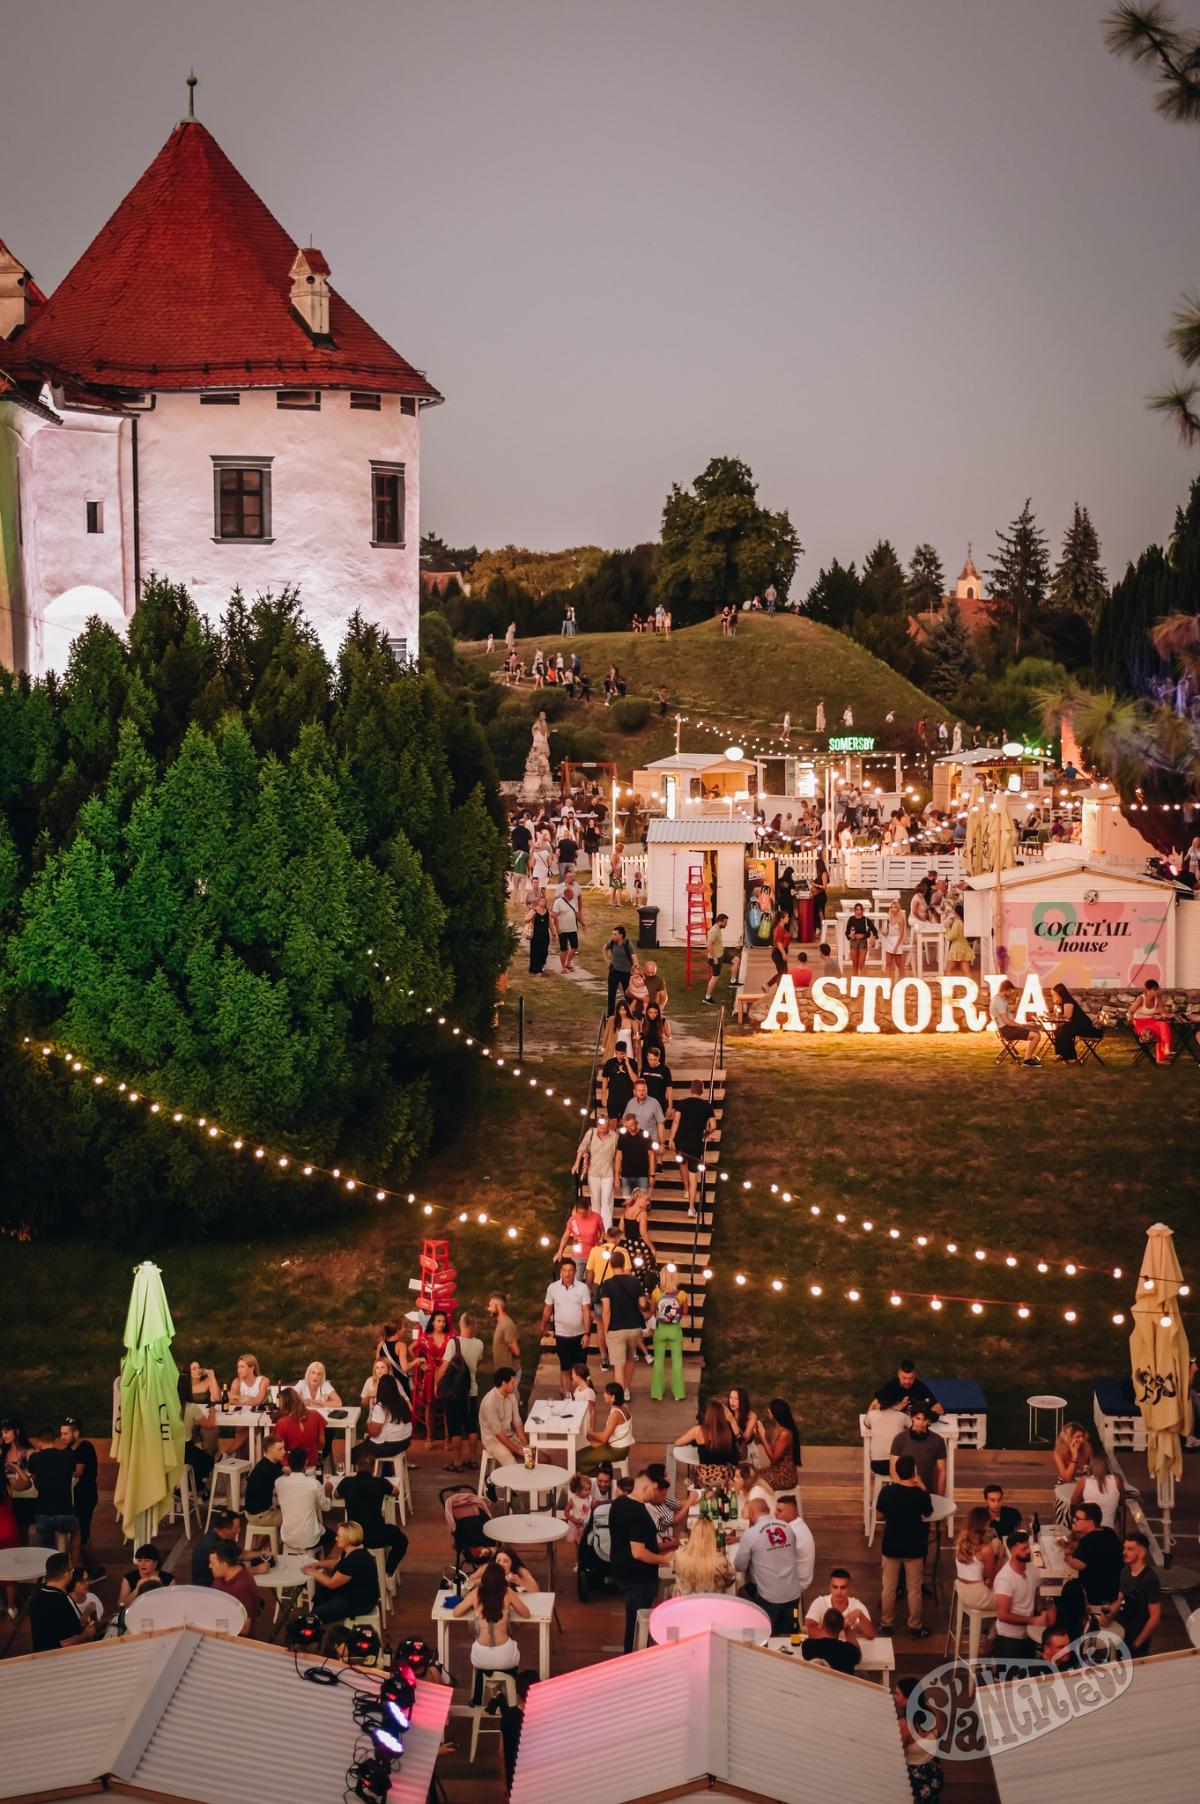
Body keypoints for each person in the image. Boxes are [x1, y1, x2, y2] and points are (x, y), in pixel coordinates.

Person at [610, 1469, 677, 1651]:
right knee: (637, 1624)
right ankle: (633, 1656)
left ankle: (634, 1652)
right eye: (654, 1489)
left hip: (622, 1570)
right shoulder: (638, 1513)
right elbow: (638, 1552)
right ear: (646, 1487)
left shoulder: (618, 1503)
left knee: (633, 1620)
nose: (655, 1493)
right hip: (638, 1577)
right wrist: (663, 1559)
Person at [732, 1498, 811, 1635]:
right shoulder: (788, 1528)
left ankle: (754, 1626)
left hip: (769, 1597)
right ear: (768, 1510)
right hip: (793, 1593)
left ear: (751, 1514)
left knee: (743, 1593)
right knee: (788, 1636)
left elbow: (739, 1566)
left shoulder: (750, 1534)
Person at [451, 1555, 532, 1689]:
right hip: (505, 1657)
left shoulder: (477, 1593)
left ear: (484, 1579)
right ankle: (505, 1689)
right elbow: (526, 1614)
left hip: (480, 1657)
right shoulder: (507, 1592)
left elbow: (456, 1612)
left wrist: (474, 1607)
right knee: (512, 1645)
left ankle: (491, 1691)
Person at [877, 1455, 934, 1636]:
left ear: (897, 1471)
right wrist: (922, 1486)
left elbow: (879, 1516)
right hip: (914, 1547)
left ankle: (886, 1623)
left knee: (889, 1588)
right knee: (914, 1589)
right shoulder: (920, 1495)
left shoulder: (886, 1492)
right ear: (913, 1472)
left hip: (891, 1546)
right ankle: (915, 1625)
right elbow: (928, 1512)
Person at [336, 1447, 409, 1576]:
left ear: (357, 1467)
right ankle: (388, 1571)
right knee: (401, 1540)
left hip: (353, 1536)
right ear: (373, 1467)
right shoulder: (380, 1482)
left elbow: (336, 1494)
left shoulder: (347, 1482)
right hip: (375, 1535)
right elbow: (396, 1492)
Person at [305, 1520, 380, 1628]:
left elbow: (331, 1583)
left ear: (349, 1538)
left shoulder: (356, 1558)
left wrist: (313, 1572)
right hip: (354, 1595)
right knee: (321, 1600)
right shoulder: (351, 1550)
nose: (336, 1539)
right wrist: (318, 1564)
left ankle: (313, 1628)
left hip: (360, 1602)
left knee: (314, 1616)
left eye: (339, 1536)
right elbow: (337, 1563)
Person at [1102, 1531, 1162, 1657]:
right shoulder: (1125, 1572)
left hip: (1135, 1639)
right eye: (1124, 1548)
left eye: (1130, 1549)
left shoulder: (1149, 1579)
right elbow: (1119, 1599)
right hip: (1122, 1634)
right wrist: (1109, 1616)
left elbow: (1155, 1618)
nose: (1124, 1552)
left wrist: (1136, 1644)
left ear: (1142, 1552)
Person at [28, 1428, 81, 1565]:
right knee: (77, 1530)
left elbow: (35, 1481)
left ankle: (49, 1571)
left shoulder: (34, 1458)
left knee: (46, 1551)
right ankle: (71, 1565)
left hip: (43, 1513)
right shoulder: (68, 1456)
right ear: (54, 1440)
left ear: (39, 1442)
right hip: (65, 1513)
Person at [541, 1259, 593, 1399]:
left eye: (570, 1270)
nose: (567, 1273)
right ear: (561, 1272)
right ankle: (567, 1396)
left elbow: (586, 1311)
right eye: (565, 1270)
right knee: (565, 1367)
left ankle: (583, 1395)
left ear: (575, 1272)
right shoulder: (553, 1288)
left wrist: (587, 1333)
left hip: (579, 1334)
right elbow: (548, 1308)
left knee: (580, 1369)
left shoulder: (582, 1288)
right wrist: (542, 1326)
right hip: (562, 1335)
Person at [598, 1250, 648, 1391]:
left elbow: (606, 1310)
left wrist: (606, 1330)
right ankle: (626, 1390)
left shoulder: (607, 1284)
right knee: (630, 1359)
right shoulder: (635, 1281)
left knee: (618, 1365)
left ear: (610, 1264)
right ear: (624, 1263)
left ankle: (619, 1396)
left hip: (616, 1328)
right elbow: (643, 1304)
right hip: (634, 1327)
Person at [992, 1530, 1045, 1660]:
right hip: (1009, 1640)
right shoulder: (1004, 1579)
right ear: (1013, 1551)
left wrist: (1043, 1611)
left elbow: (1036, 1596)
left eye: (1028, 1547)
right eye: (1024, 1549)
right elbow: (1002, 1615)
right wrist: (1032, 1620)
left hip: (1029, 1636)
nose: (1028, 1551)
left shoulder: (1032, 1568)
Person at [30, 1552, 99, 1651]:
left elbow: (63, 1627)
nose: (72, 1572)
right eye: (72, 1569)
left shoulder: (40, 1593)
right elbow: (67, 1643)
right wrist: (86, 1634)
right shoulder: (59, 1602)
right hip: (56, 1657)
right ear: (66, 1574)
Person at [894, 1676, 944, 1804]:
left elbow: (895, 1755)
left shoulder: (905, 1726)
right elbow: (941, 1734)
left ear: (908, 1699)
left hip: (916, 1781)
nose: (894, 1697)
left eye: (897, 1694)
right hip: (933, 1771)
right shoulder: (932, 1711)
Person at [671, 1079, 716, 1220]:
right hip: (696, 1143)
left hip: (681, 1141)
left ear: (691, 1090)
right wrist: (706, 1133)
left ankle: (685, 1189)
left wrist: (671, 1138)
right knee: (693, 1175)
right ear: (701, 1091)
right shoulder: (707, 1106)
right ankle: (691, 1208)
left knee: (682, 1163)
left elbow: (676, 1121)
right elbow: (714, 1126)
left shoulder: (682, 1104)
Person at [1064, 1501, 1123, 1607]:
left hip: (1094, 1594)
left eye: (1078, 1519)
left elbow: (1078, 1565)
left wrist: (1066, 1556)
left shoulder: (1088, 1540)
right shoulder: (1109, 1532)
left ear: (1090, 1522)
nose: (1074, 1520)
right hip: (1113, 1590)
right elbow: (1094, 1552)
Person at [675, 1398, 739, 1489]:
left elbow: (678, 1442)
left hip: (705, 1478)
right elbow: (735, 1460)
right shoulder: (728, 1432)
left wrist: (695, 1440)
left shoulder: (698, 1430)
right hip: (724, 1478)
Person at [276, 1448, 328, 1555]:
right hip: (309, 1539)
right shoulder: (314, 1483)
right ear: (306, 1463)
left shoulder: (279, 1483)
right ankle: (318, 1562)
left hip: (288, 1538)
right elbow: (326, 1507)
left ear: (289, 1464)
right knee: (332, 1536)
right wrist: (328, 1493)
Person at [572, 1115, 619, 1232]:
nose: (603, 1130)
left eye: (605, 1127)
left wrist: (617, 1174)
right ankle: (597, 1228)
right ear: (597, 1126)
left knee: (607, 1201)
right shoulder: (591, 1133)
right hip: (594, 1172)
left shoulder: (614, 1136)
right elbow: (582, 1147)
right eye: (601, 1128)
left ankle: (607, 1230)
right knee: (595, 1202)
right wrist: (577, 1163)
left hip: (608, 1173)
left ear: (608, 1126)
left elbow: (618, 1156)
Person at [671, 1515, 737, 1596]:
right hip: (712, 1602)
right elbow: (731, 1579)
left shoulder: (678, 1555)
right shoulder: (719, 1560)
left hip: (685, 1602)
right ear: (712, 1536)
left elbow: (674, 1571)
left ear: (692, 1534)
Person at [650, 1268, 688, 1403]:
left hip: (660, 1330)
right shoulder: (682, 1294)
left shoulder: (656, 1292)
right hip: (675, 1331)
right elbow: (685, 1311)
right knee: (677, 1362)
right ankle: (678, 1393)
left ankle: (657, 1393)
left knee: (658, 1362)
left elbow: (652, 1310)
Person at [578, 1381, 634, 1474]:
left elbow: (604, 1438)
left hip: (617, 1451)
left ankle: (594, 1477)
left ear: (613, 1397)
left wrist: (591, 1435)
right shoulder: (624, 1406)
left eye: (606, 1393)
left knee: (579, 1459)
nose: (604, 1395)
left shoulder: (616, 1414)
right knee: (581, 1453)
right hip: (619, 1447)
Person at [953, 1508, 1000, 1614]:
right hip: (978, 1597)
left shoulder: (961, 1542)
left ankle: (990, 1624)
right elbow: (991, 1580)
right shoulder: (985, 1549)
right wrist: (1000, 1556)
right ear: (984, 1525)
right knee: (1015, 1598)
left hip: (963, 1594)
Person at [479, 1369, 529, 1467]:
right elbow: (498, 1433)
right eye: (512, 1383)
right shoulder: (489, 1402)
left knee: (540, 1458)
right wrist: (517, 1450)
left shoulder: (511, 1396)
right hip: (493, 1441)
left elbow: (517, 1423)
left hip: (510, 1436)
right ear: (504, 1383)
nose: (515, 1385)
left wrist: (525, 1445)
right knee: (512, 1467)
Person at [989, 978, 1044, 1065]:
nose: (1012, 993)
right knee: (1036, 1036)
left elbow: (1010, 1018)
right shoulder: (998, 1001)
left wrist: (1025, 1024)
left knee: (1036, 1032)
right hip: (1006, 1030)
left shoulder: (1002, 1000)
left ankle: (1027, 1058)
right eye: (1011, 991)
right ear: (1006, 990)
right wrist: (1022, 1026)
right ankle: (1027, 1060)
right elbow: (1007, 1021)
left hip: (1008, 1028)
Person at [890, 1408, 945, 1495]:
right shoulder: (899, 1438)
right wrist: (902, 1490)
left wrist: (940, 1497)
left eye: (924, 1419)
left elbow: (942, 1472)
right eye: (918, 1418)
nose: (921, 1423)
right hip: (904, 1492)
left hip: (928, 1493)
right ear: (912, 1417)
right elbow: (893, 1470)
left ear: (928, 1420)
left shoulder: (937, 1440)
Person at [805, 1568, 873, 1637]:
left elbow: (871, 1635)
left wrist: (860, 1614)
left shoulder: (857, 1605)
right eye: (835, 1587)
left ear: (849, 1588)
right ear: (830, 1587)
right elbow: (808, 1629)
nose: (839, 1592)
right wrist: (835, 1635)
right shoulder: (820, 1602)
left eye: (843, 1587)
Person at [1071, 1445, 1123, 1531]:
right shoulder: (1117, 1480)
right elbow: (1121, 1502)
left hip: (1088, 1529)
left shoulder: (1084, 1481)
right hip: (1109, 1529)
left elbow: (1074, 1502)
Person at [869, 1361, 943, 1419]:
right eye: (904, 1378)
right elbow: (876, 1404)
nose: (907, 1381)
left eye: (911, 1378)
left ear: (915, 1375)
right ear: (899, 1375)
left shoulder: (920, 1387)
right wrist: (897, 1408)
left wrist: (922, 1414)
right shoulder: (892, 1385)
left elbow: (939, 1408)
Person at [274, 1388, 326, 1470]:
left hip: (290, 1466)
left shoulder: (282, 1422)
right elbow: (321, 1442)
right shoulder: (315, 1414)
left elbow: (278, 1449)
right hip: (311, 1463)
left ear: (284, 1404)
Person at [243, 1435, 286, 1532]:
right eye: (280, 1449)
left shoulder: (271, 1462)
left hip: (258, 1509)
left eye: (284, 1448)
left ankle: (261, 1540)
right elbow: (284, 1490)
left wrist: (299, 1470)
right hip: (259, 1515)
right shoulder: (268, 1469)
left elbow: (285, 1469)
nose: (284, 1452)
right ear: (270, 1450)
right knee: (294, 1519)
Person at [756, 1398, 800, 1491]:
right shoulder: (777, 1429)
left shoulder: (785, 1433)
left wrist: (763, 1437)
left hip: (784, 1476)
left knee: (753, 1480)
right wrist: (760, 1435)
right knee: (750, 1474)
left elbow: (774, 1458)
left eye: (770, 1409)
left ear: (777, 1413)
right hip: (775, 1469)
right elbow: (772, 1448)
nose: (768, 1410)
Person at [1048, 982, 1098, 1062]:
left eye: (1054, 994)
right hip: (1075, 1024)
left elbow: (1067, 1016)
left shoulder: (1068, 1002)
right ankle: (1062, 1054)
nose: (1053, 996)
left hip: (1083, 1026)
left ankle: (1071, 1057)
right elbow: (1062, 1017)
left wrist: (1057, 1016)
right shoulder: (1061, 1002)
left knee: (1065, 1032)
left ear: (1060, 994)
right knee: (1058, 1031)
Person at [1127, 978, 1174, 1064]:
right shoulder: (1141, 998)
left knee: (1164, 1025)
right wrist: (1129, 1016)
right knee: (1161, 1031)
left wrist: (1167, 1015)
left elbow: (1162, 1012)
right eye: (1154, 989)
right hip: (1140, 1023)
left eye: (1157, 989)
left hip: (1151, 1021)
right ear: (1147, 990)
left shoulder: (1157, 998)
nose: (1157, 991)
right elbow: (1131, 1011)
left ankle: (1166, 1049)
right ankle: (1162, 1057)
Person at [802, 1608, 862, 1674]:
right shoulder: (850, 1651)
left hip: (815, 1680)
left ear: (823, 1625)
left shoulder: (808, 1645)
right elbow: (858, 1654)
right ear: (841, 1628)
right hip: (840, 1681)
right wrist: (847, 1628)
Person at [117, 1543, 174, 1609]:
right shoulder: (129, 1578)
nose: (142, 1564)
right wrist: (137, 1589)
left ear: (155, 1563)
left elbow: (172, 1604)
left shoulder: (168, 1578)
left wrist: (160, 1587)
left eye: (147, 1561)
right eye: (139, 1560)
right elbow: (120, 1605)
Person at [555, 1193, 605, 1265]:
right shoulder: (573, 1219)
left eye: (584, 1213)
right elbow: (565, 1237)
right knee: (577, 1272)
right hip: (578, 1254)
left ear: (588, 1210)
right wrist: (560, 1252)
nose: (581, 1215)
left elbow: (602, 1231)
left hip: (593, 1253)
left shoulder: (596, 1217)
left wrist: (600, 1240)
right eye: (579, 1213)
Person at [551, 876, 584, 974]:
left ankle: (568, 963)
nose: (573, 896)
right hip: (563, 930)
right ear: (567, 894)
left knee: (574, 947)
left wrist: (582, 923)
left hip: (572, 929)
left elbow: (577, 913)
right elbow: (554, 915)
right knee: (563, 949)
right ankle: (563, 967)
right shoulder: (558, 902)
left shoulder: (573, 902)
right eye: (572, 894)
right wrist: (557, 928)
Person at [488, 1295, 522, 1391]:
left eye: (490, 1306)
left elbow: (517, 1352)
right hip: (503, 1372)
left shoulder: (507, 1325)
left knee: (510, 1398)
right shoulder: (501, 1323)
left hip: (509, 1374)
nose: (488, 1309)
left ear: (499, 1307)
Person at [604, 925, 634, 1013]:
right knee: (611, 993)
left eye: (615, 934)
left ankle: (631, 1012)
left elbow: (633, 955)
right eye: (612, 934)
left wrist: (635, 965)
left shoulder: (628, 944)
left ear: (621, 935)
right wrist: (607, 961)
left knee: (628, 994)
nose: (612, 936)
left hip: (626, 973)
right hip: (614, 971)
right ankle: (610, 1014)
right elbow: (604, 948)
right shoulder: (612, 942)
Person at [1053, 1421, 1092, 1487]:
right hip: (1066, 1481)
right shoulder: (1058, 1452)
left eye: (1082, 1436)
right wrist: (1074, 1456)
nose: (1082, 1440)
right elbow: (1067, 1479)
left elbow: (1093, 1469)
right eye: (1078, 1437)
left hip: (1085, 1480)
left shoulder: (1086, 1447)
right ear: (1067, 1438)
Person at [703, 914, 730, 1004]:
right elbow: (708, 945)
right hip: (715, 958)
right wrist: (715, 958)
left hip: (720, 955)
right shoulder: (714, 931)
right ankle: (707, 997)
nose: (726, 924)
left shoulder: (718, 929)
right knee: (715, 977)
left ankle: (733, 982)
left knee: (736, 960)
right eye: (725, 922)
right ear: (720, 921)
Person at [844, 903, 877, 975]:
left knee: (861, 964)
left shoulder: (866, 920)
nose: (859, 911)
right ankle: (855, 980)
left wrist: (872, 938)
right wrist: (850, 936)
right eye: (857, 909)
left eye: (860, 909)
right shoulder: (851, 919)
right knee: (854, 965)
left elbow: (874, 930)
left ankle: (862, 980)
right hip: (853, 942)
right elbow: (847, 932)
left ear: (862, 910)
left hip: (863, 943)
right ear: (854, 910)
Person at [881, 901, 907, 981]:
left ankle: (903, 980)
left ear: (898, 908)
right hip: (889, 940)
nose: (893, 909)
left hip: (897, 941)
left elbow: (901, 934)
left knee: (899, 963)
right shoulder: (889, 918)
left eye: (895, 907)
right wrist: (884, 933)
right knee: (888, 963)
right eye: (891, 907)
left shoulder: (901, 919)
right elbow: (887, 931)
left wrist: (896, 947)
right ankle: (888, 982)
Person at [527, 895, 551, 976]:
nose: (544, 902)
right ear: (538, 902)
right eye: (542, 901)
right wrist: (531, 917)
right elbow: (525, 919)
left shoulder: (547, 912)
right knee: (536, 951)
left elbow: (550, 923)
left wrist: (554, 933)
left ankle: (541, 965)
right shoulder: (533, 911)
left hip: (545, 934)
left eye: (545, 901)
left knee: (544, 951)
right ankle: (536, 969)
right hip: (535, 935)